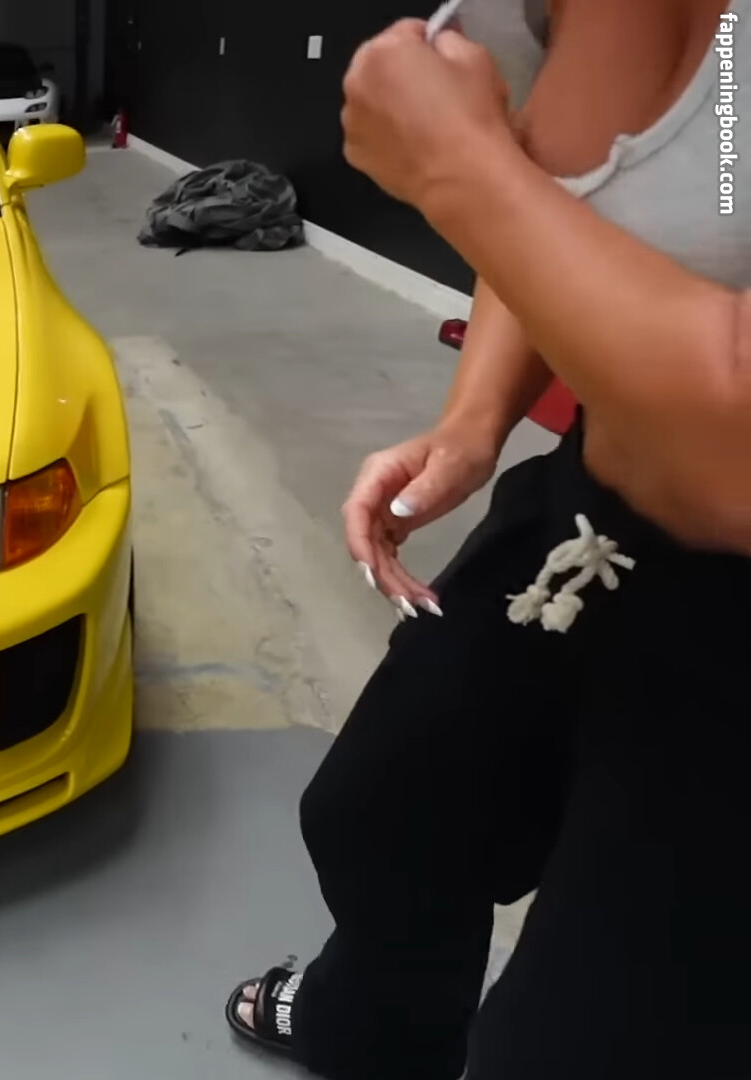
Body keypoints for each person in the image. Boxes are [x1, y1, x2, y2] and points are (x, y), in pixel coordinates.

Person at [220, 2, 749, 1078]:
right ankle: (370, 1033)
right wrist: (474, 422)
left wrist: (458, 168)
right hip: (597, 516)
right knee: (382, 813)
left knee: (583, 1037)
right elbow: (558, 207)